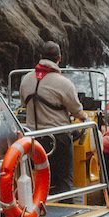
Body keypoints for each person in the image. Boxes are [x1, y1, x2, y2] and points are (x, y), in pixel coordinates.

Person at [17, 39, 83, 194]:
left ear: (41, 57)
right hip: (58, 138)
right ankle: (66, 204)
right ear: (59, 58)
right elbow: (77, 111)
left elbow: (23, 103)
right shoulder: (64, 83)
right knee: (64, 180)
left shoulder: (26, 79)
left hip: (33, 137)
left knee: (39, 177)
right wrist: (83, 117)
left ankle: (36, 202)